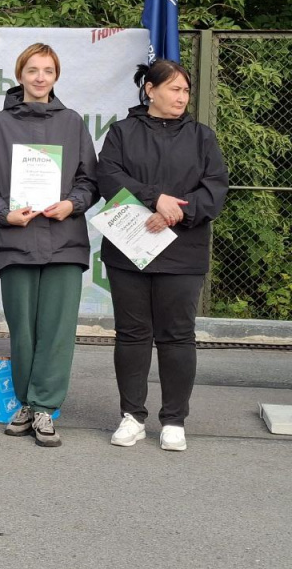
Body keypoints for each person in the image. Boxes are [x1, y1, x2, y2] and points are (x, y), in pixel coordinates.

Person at [0, 43, 98, 447]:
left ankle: (44, 407)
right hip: (16, 242)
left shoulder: (72, 123)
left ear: (56, 77)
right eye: (33, 70)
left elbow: (89, 180)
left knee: (56, 332)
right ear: (20, 75)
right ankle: (27, 402)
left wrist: (72, 204)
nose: (40, 78)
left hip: (65, 243)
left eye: (48, 71)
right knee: (22, 331)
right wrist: (3, 213)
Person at [98, 61, 228, 452]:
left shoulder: (202, 137)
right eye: (174, 89)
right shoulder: (122, 133)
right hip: (129, 250)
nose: (181, 97)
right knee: (132, 334)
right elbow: (109, 178)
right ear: (150, 90)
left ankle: (174, 420)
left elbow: (215, 189)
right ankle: (132, 416)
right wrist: (155, 198)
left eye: (185, 90)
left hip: (183, 253)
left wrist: (177, 212)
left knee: (177, 336)